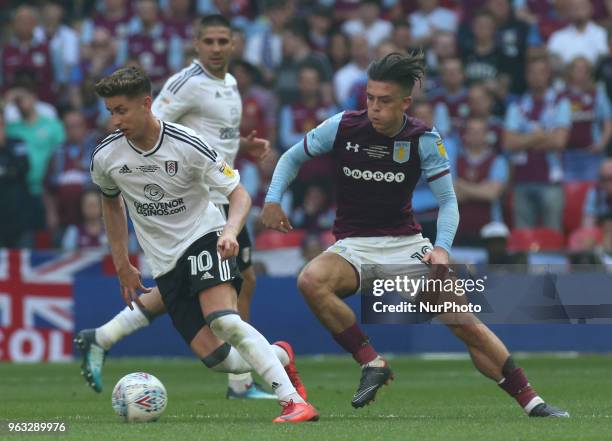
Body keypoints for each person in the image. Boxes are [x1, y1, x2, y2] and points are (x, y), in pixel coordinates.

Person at [261, 52, 569, 417]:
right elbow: (290, 157)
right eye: (370, 99)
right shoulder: (342, 125)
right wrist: (272, 199)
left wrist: (441, 249)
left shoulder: (424, 138)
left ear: (405, 102)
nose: (374, 108)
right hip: (353, 247)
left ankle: (531, 400)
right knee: (311, 280)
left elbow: (448, 202)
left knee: (466, 325)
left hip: (407, 246)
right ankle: (372, 362)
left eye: (384, 101)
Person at [84, 66, 318, 423]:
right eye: (110, 112)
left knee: (223, 320)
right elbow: (111, 203)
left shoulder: (187, 143)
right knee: (218, 359)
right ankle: (281, 355)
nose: (115, 120)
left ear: (147, 104)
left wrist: (229, 231)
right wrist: (122, 263)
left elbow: (238, 195)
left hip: (204, 237)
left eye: (121, 110)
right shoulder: (106, 156)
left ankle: (292, 401)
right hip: (165, 262)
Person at [75, 15, 275, 400]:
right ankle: (242, 380)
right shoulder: (185, 84)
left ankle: (102, 336)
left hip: (219, 187)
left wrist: (242, 148)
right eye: (209, 41)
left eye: (223, 41)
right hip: (201, 200)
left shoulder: (230, 84)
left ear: (234, 44)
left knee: (205, 284)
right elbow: (154, 131)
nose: (217, 48)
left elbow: (211, 140)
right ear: (196, 45)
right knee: (232, 283)